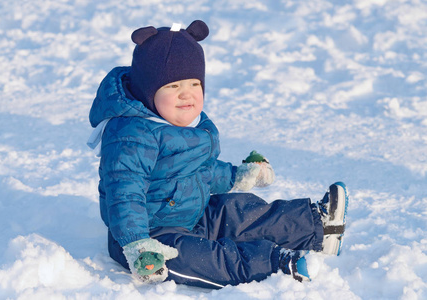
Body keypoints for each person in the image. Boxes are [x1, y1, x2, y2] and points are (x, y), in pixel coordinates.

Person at [87, 20, 349, 289]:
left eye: (194, 84)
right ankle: (274, 265)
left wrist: (238, 176)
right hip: (151, 238)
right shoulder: (132, 135)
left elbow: (203, 171)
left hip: (194, 214)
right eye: (173, 87)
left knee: (240, 210)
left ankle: (316, 225)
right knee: (198, 257)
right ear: (147, 92)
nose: (186, 95)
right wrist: (137, 243)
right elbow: (124, 194)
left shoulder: (191, 124)